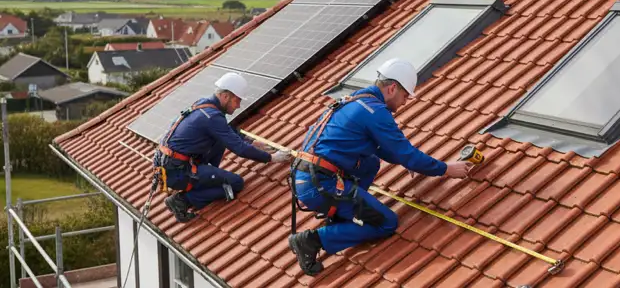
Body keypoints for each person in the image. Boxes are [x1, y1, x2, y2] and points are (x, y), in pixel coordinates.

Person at [287, 58, 473, 276]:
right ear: (392, 88)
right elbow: (406, 152)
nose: (404, 102)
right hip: (321, 185)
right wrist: (446, 169)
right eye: (404, 96)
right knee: (387, 222)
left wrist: (404, 159)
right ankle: (311, 240)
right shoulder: (375, 111)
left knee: (371, 162)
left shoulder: (354, 100)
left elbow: (383, 148)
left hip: (308, 175)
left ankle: (342, 215)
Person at [155, 72, 291, 222]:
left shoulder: (205, 106)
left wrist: (252, 142)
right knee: (236, 183)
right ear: (225, 96)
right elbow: (240, 149)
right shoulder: (212, 116)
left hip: (170, 166)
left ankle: (208, 176)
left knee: (219, 140)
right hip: (177, 173)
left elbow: (226, 131)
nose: (238, 105)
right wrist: (272, 158)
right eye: (237, 100)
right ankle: (182, 200)